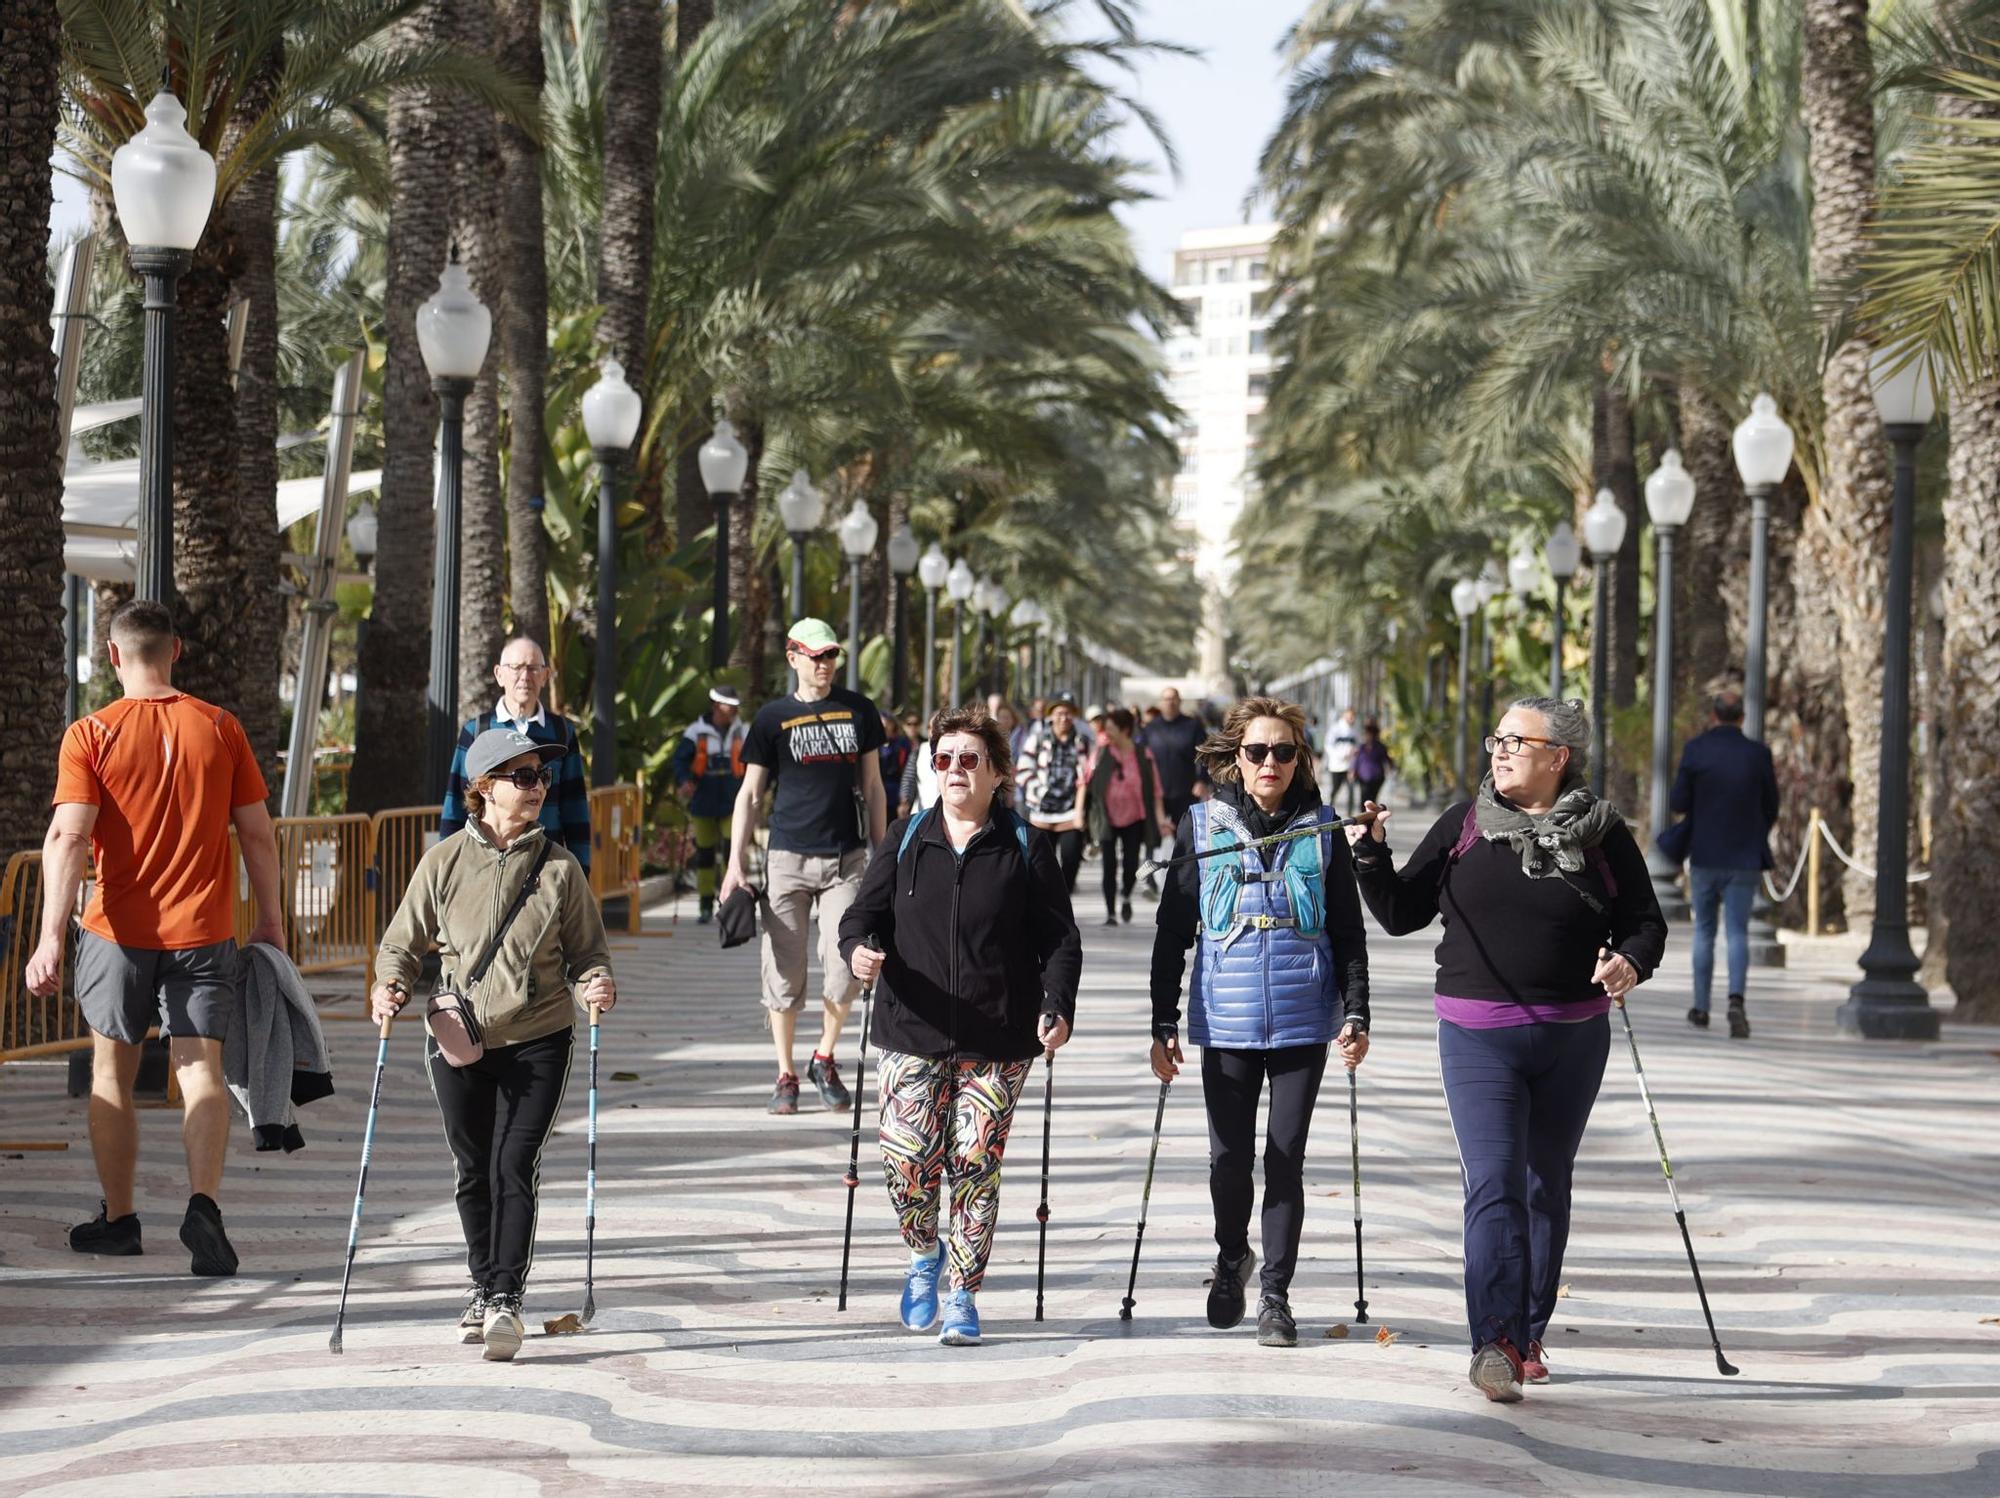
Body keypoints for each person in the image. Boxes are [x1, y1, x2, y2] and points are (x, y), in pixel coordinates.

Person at [1348, 697, 1666, 1403]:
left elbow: (1646, 923)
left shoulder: (1603, 835)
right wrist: (1370, 853)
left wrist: (1630, 965)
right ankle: (1493, 1341)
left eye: (1518, 741)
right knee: (1493, 1181)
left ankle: (1528, 1331)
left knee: (1543, 1184)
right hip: (1476, 1035)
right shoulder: (1465, 825)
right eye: (1498, 737)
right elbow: (1401, 914)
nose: (1500, 750)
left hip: (1573, 1036)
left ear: (1559, 757)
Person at [29, 600, 287, 1277]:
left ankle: (119, 1220)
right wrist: (271, 921)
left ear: (113, 656)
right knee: (201, 1072)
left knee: (112, 1075)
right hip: (204, 932)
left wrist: (49, 937)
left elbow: (70, 836)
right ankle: (203, 1205)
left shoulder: (91, 734)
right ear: (175, 649)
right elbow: (258, 833)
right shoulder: (221, 728)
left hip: (117, 931)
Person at [370, 728, 616, 1361]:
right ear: (483, 788)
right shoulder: (445, 861)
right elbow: (402, 940)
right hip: (461, 1041)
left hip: (540, 1036)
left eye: (540, 777)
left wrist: (597, 982)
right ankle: (482, 1286)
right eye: (522, 777)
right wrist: (389, 985)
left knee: (513, 1164)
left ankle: (506, 1296)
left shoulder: (561, 868)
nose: (537, 788)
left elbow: (589, 951)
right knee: (472, 1168)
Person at [840, 707, 1080, 1346]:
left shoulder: (1026, 846)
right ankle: (923, 1257)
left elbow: (1060, 938)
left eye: (969, 759)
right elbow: (859, 918)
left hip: (998, 1037)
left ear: (998, 772)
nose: (953, 771)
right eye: (942, 759)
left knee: (975, 1162)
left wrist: (1056, 1005)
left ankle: (963, 1294)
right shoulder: (906, 837)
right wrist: (858, 950)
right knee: (908, 1160)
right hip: (908, 1028)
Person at [1149, 696, 1371, 1348]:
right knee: (1228, 1161)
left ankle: (1276, 1295)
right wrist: (1163, 1019)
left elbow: (1349, 932)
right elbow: (1172, 932)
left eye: (1282, 751)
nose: (1269, 762)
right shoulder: (1202, 825)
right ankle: (1230, 1256)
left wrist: (1356, 1011)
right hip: (1226, 1020)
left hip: (1305, 1017)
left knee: (1285, 1160)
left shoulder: (1323, 828)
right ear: (1235, 759)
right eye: (1256, 751)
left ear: (1299, 759)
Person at [719, 619, 888, 1115]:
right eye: (814, 656)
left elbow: (875, 787)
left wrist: (884, 858)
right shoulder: (772, 718)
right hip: (787, 859)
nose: (824, 664)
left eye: (830, 655)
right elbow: (750, 794)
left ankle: (824, 1056)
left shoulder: (859, 711)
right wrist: (734, 864)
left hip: (846, 859)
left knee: (845, 968)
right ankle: (786, 1073)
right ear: (792, 658)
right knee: (784, 971)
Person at [1666, 690, 1779, 1038]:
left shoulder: (1697, 750)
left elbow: (1679, 801)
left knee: (1704, 931)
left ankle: (1700, 1007)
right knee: (1737, 932)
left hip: (1705, 854)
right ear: (1741, 717)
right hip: (1744, 857)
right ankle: (1736, 1001)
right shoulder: (1757, 754)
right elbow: (1771, 804)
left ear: (1714, 716)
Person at [441, 636, 592, 870]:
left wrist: (581, 873)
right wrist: (448, 869)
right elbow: (456, 807)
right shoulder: (476, 731)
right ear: (499, 674)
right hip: (485, 865)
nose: (525, 676)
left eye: (533, 668)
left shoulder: (562, 733)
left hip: (546, 866)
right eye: (517, 668)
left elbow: (575, 810)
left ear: (545, 676)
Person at [1084, 708, 1172, 925]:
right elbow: (1084, 783)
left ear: (1125, 730)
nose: (1107, 733)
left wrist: (1161, 819)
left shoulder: (1143, 755)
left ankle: (1125, 896)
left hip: (1135, 817)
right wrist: (1081, 814)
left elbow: (1156, 791)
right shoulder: (1100, 752)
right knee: (1109, 864)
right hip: (1106, 818)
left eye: (1111, 729)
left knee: (1131, 862)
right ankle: (1110, 912)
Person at [668, 685, 747, 924]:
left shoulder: (743, 731)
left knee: (732, 850)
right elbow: (680, 760)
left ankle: (728, 903)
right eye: (728, 705)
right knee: (705, 854)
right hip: (703, 797)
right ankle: (704, 905)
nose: (733, 710)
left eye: (735, 706)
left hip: (733, 799)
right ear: (716, 706)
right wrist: (684, 781)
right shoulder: (695, 732)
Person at [1016, 694, 1089, 890]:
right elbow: (1023, 769)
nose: (1063, 717)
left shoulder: (1081, 741)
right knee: (1040, 864)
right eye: (1059, 713)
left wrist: (1081, 809)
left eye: (1068, 713)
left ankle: (1064, 896)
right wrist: (1038, 793)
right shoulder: (1038, 738)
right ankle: (1045, 902)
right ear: (1050, 715)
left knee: (1072, 858)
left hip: (1070, 812)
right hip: (1042, 813)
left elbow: (1086, 777)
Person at [1324, 707, 1361, 814]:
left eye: (1353, 717)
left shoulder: (1355, 731)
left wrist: (1354, 753)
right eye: (1349, 717)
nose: (1351, 719)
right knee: (1336, 788)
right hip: (1336, 766)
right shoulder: (1335, 729)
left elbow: (1357, 745)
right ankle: (1329, 809)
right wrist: (1341, 755)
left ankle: (1350, 814)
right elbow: (1328, 746)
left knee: (1351, 790)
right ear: (1344, 716)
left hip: (1349, 766)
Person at [1351, 718, 1391, 808]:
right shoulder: (1362, 747)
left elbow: (1387, 760)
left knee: (1372, 798)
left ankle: (1371, 818)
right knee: (1364, 798)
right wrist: (1353, 770)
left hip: (1377, 777)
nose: (1368, 737)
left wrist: (1390, 767)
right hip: (1363, 777)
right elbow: (1356, 760)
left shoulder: (1380, 747)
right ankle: (1363, 817)